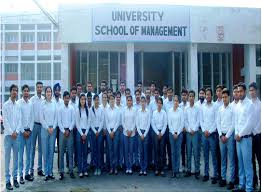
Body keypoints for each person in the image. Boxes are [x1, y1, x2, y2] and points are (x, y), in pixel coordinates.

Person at [233, 82, 255, 192]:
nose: (239, 93)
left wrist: (240, 134)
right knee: (240, 164)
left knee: (247, 164)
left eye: (241, 91)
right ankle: (242, 185)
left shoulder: (250, 104)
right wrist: (236, 133)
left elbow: (249, 124)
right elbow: (236, 122)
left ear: (245, 91)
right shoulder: (237, 105)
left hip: (246, 138)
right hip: (238, 139)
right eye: (238, 91)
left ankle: (249, 187)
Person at [216, 88, 235, 189]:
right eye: (222, 97)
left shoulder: (232, 109)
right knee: (223, 159)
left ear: (229, 97)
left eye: (225, 97)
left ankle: (231, 181)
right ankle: (223, 178)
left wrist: (226, 136)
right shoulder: (220, 109)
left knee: (231, 159)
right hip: (221, 137)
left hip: (230, 137)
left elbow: (233, 124)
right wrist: (220, 135)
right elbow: (218, 122)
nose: (224, 99)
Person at [3, 84, 21, 190]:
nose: (15, 92)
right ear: (10, 92)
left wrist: (17, 131)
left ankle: (15, 179)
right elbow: (5, 121)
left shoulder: (18, 106)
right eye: (13, 90)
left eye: (16, 91)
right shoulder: (5, 105)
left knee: (16, 158)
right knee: (7, 159)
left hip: (17, 136)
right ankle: (7, 180)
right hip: (8, 137)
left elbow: (19, 121)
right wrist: (11, 132)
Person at [200, 88, 218, 184]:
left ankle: (215, 175)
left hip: (212, 135)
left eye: (209, 94)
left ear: (212, 95)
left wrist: (210, 131)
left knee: (214, 155)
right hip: (204, 134)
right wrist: (204, 131)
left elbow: (216, 121)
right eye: (206, 94)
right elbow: (201, 120)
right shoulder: (202, 107)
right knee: (205, 155)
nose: (207, 96)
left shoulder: (215, 106)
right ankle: (206, 174)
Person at [40, 86, 57, 181]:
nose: (49, 93)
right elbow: (41, 118)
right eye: (47, 92)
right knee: (45, 151)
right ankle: (46, 173)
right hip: (44, 129)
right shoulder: (42, 104)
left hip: (53, 129)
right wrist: (47, 128)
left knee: (51, 151)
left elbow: (56, 117)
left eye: (50, 92)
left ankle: (50, 172)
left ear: (52, 93)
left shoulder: (54, 103)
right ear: (45, 93)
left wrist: (53, 128)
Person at [18, 85, 34, 184]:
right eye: (24, 91)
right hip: (21, 133)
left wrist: (30, 130)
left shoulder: (31, 103)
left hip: (29, 133)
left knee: (29, 154)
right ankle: (20, 175)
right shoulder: (19, 103)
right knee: (21, 155)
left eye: (27, 91)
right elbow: (18, 119)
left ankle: (27, 174)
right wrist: (23, 131)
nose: (26, 92)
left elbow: (32, 118)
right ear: (22, 92)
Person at [58, 91, 75, 180]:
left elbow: (73, 121)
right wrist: (64, 131)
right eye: (65, 98)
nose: (67, 99)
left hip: (70, 132)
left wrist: (69, 130)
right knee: (61, 153)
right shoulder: (60, 109)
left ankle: (71, 170)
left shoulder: (72, 108)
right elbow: (59, 121)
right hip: (62, 132)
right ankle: (61, 172)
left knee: (70, 152)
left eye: (68, 98)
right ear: (63, 98)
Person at [184, 90, 200, 179]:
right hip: (188, 133)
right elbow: (185, 121)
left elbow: (198, 120)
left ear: (194, 97)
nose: (191, 98)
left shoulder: (197, 108)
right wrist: (189, 129)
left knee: (196, 152)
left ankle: (197, 170)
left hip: (195, 133)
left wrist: (194, 129)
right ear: (188, 97)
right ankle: (188, 170)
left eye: (192, 96)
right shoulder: (186, 109)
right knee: (188, 152)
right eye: (189, 96)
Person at [29, 81, 45, 178]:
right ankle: (31, 169)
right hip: (34, 126)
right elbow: (30, 114)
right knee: (32, 148)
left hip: (42, 125)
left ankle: (39, 169)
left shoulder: (44, 99)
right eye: (38, 87)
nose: (39, 89)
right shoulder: (32, 100)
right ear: (36, 88)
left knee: (41, 149)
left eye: (40, 87)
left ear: (42, 88)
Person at [168, 95, 184, 178]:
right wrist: (173, 133)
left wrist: (177, 133)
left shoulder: (181, 111)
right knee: (173, 152)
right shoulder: (170, 111)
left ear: (179, 102)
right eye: (174, 101)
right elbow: (169, 123)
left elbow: (182, 123)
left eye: (177, 101)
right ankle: (173, 171)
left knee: (178, 152)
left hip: (179, 134)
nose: (175, 102)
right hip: (171, 134)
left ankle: (177, 170)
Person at [249, 82, 261, 190]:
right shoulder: (248, 104)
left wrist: (255, 131)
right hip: (249, 136)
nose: (252, 92)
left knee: (260, 159)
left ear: (257, 91)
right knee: (251, 160)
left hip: (258, 135)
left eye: (253, 90)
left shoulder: (260, 104)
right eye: (250, 90)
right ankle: (254, 181)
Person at [75, 93, 90, 178]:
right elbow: (77, 123)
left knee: (85, 152)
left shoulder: (87, 110)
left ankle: (85, 169)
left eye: (84, 99)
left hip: (86, 132)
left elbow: (89, 122)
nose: (83, 101)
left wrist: (86, 133)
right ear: (79, 100)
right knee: (79, 152)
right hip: (79, 132)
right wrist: (82, 133)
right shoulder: (77, 110)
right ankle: (80, 170)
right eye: (81, 99)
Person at [151, 97, 167, 177]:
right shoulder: (154, 113)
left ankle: (162, 168)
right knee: (156, 151)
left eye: (161, 103)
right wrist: (157, 133)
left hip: (163, 133)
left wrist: (161, 133)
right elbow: (152, 124)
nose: (159, 104)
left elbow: (165, 124)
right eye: (158, 103)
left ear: (162, 104)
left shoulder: (164, 113)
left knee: (162, 151)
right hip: (156, 133)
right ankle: (157, 169)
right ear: (156, 104)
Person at [105, 94, 121, 175]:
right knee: (110, 150)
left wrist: (113, 131)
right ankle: (111, 167)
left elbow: (118, 121)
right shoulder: (107, 110)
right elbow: (106, 121)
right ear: (109, 100)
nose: (111, 100)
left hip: (116, 131)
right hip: (108, 131)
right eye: (110, 99)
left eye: (113, 99)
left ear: (114, 100)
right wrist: (110, 131)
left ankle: (116, 167)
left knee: (115, 150)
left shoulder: (117, 109)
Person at [136, 96, 151, 176]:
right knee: (140, 151)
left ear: (145, 102)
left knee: (145, 151)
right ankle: (141, 168)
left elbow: (148, 124)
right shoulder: (138, 112)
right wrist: (140, 133)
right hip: (139, 133)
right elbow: (137, 124)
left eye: (144, 102)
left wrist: (144, 134)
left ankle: (144, 168)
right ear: (140, 103)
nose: (143, 103)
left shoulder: (148, 112)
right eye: (141, 102)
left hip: (146, 133)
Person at [90, 94, 104, 176]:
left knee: (99, 150)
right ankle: (95, 167)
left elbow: (102, 121)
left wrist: (98, 130)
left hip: (100, 131)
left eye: (98, 99)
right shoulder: (91, 109)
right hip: (93, 131)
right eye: (95, 100)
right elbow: (90, 122)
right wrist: (95, 131)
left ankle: (99, 167)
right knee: (94, 150)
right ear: (93, 100)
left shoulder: (101, 109)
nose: (97, 101)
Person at [122, 95, 136, 175]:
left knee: (131, 151)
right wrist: (127, 130)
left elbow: (135, 121)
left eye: (130, 100)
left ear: (132, 101)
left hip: (132, 133)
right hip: (125, 133)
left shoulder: (134, 110)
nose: (129, 102)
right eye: (128, 100)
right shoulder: (124, 110)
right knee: (126, 151)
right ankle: (127, 167)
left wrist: (131, 130)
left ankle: (130, 167)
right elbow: (123, 121)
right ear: (126, 101)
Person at [163, 87, 173, 170]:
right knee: (164, 146)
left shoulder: (174, 102)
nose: (169, 94)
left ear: (172, 93)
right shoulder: (164, 103)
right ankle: (164, 163)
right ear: (167, 94)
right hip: (165, 127)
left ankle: (171, 164)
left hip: (172, 128)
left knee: (170, 147)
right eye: (168, 93)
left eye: (171, 92)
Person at [179, 88, 189, 173]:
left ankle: (189, 166)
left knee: (188, 149)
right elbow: (179, 119)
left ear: (187, 96)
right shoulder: (179, 105)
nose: (184, 96)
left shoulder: (190, 105)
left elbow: (189, 119)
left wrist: (187, 127)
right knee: (182, 149)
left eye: (185, 95)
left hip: (188, 131)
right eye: (182, 95)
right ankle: (182, 164)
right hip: (181, 131)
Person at [115, 91, 125, 170]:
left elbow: (124, 119)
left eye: (119, 97)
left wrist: (122, 126)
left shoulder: (123, 107)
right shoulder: (113, 107)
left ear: (120, 98)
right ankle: (116, 163)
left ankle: (121, 163)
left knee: (121, 147)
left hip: (122, 129)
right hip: (115, 129)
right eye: (117, 97)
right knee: (116, 147)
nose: (118, 98)